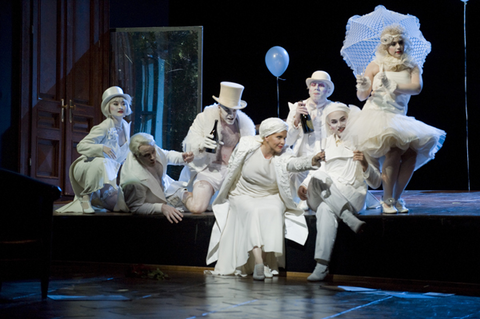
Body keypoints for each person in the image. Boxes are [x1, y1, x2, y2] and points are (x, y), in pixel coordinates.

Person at [344, 24, 446, 214]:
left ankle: (395, 198)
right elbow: (362, 96)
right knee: (394, 151)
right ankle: (387, 199)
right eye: (392, 44)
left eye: (400, 42)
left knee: (411, 154)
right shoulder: (375, 65)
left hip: (398, 116)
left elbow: (416, 88)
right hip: (376, 115)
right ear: (385, 47)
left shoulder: (412, 65)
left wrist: (393, 84)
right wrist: (362, 85)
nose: (397, 47)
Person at [206, 118, 323, 281]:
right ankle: (259, 263)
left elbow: (294, 164)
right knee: (254, 211)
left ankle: (267, 260)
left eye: (284, 137)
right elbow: (233, 165)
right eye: (279, 137)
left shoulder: (283, 154)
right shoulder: (247, 146)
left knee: (274, 210)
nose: (283, 141)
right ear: (266, 137)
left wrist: (312, 160)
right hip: (243, 193)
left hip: (271, 194)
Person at [297, 103, 382, 281]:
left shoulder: (363, 142)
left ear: (350, 119)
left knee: (324, 210)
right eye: (334, 122)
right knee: (319, 180)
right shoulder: (325, 144)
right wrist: (304, 185)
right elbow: (315, 172)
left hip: (352, 194)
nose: (339, 125)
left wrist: (365, 163)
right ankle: (346, 218)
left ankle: (321, 266)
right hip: (328, 191)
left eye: (343, 119)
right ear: (329, 125)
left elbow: (375, 183)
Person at [179, 81, 256, 214]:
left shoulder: (244, 126)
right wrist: (201, 144)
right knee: (197, 208)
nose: (231, 114)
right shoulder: (204, 118)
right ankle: (181, 193)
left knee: (247, 208)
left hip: (231, 172)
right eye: (227, 109)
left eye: (234, 110)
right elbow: (188, 144)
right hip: (208, 170)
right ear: (219, 107)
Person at [56, 86, 132, 214]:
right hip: (87, 167)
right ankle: (86, 197)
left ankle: (100, 197)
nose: (120, 107)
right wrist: (101, 148)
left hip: (106, 176)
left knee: (126, 206)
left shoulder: (125, 126)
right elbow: (81, 146)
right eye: (115, 104)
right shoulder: (103, 127)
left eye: (123, 104)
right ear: (108, 107)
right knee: (104, 162)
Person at [285, 71, 336, 206]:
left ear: (328, 90)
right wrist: (296, 120)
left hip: (325, 162)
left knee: (320, 203)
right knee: (299, 203)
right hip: (303, 162)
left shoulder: (333, 108)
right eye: (313, 84)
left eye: (321, 85)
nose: (316, 88)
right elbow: (288, 142)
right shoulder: (298, 107)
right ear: (309, 88)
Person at [120, 133, 194, 223]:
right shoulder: (132, 180)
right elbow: (136, 207)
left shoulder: (149, 148)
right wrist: (161, 208)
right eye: (147, 155)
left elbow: (165, 155)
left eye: (153, 151)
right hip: (147, 212)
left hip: (165, 191)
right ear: (136, 156)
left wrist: (181, 157)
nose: (153, 157)